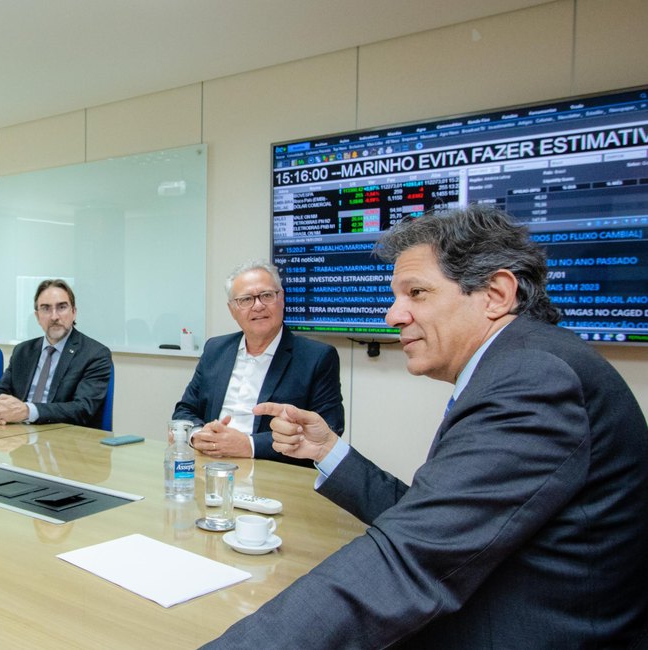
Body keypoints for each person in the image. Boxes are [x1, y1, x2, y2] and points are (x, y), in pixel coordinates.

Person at [206, 205, 648, 648]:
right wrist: (326, 450)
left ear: (496, 294)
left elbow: (407, 559)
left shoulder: (533, 380)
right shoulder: (522, 362)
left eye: (415, 293)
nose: (393, 316)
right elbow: (429, 517)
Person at [172, 260, 343, 466]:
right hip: (209, 466)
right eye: (246, 300)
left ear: (282, 299)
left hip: (273, 473)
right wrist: (198, 435)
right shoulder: (215, 349)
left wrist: (249, 445)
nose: (258, 306)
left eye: (267, 295)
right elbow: (184, 410)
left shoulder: (317, 357)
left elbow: (328, 430)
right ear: (232, 310)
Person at [0, 279, 112, 428]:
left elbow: (82, 409)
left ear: (74, 313)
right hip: (18, 436)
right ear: (37, 317)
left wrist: (28, 411)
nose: (54, 316)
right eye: (46, 308)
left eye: (62, 307)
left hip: (64, 439)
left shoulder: (94, 354)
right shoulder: (23, 351)